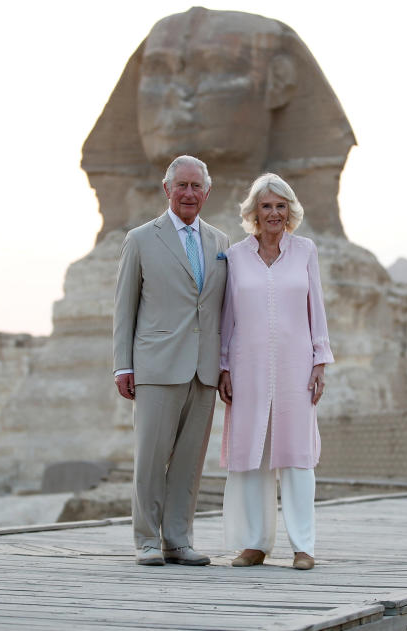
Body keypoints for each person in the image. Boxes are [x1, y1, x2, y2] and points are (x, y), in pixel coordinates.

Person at [113, 155, 230, 566]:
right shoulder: (141, 239)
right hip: (157, 366)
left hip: (204, 368)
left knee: (189, 461)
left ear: (207, 192)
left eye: (197, 186)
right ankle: (146, 540)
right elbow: (124, 308)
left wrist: (226, 364)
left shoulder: (220, 242)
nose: (189, 193)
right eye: (181, 185)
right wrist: (122, 365)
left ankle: (178, 540)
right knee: (150, 456)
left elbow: (223, 309)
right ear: (167, 189)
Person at [217, 173, 334, 571]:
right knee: (251, 454)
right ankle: (254, 544)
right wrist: (224, 365)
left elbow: (315, 308)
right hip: (246, 368)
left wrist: (320, 360)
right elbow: (226, 317)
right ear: (253, 212)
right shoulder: (235, 256)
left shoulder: (305, 251)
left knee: (297, 456)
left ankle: (304, 546)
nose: (273, 213)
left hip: (296, 367)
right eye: (266, 206)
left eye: (280, 206)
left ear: (290, 212)